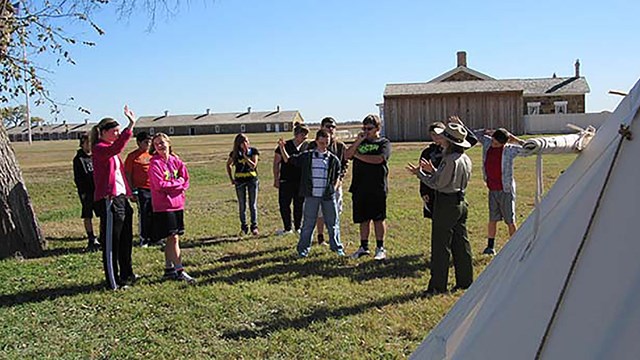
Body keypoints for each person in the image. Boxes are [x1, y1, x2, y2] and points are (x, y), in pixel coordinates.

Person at [406, 123, 473, 295]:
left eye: (443, 137)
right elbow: (447, 179)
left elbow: (437, 184)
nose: (440, 139)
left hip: (446, 204)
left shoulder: (449, 159)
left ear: (449, 141)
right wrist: (433, 170)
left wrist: (420, 174)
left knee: (440, 246)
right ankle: (465, 280)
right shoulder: (464, 158)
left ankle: (437, 286)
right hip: (461, 202)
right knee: (461, 243)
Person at [90, 105, 137, 290]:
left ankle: (127, 274)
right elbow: (118, 146)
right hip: (109, 200)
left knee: (126, 239)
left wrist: (128, 193)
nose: (118, 134)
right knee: (112, 242)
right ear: (102, 132)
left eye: (119, 131)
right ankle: (113, 280)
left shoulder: (111, 150)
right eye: (114, 131)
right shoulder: (100, 148)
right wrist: (130, 125)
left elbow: (119, 175)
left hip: (121, 198)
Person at [277, 129, 345, 257]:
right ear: (316, 142)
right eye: (321, 143)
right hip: (312, 196)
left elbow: (337, 177)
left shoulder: (333, 160)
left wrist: (333, 189)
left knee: (333, 224)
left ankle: (337, 248)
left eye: (327, 143)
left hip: (327, 197)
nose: (324, 146)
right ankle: (303, 250)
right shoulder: (307, 156)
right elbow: (289, 160)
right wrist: (282, 148)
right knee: (308, 224)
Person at [148, 133, 196, 284]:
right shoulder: (154, 163)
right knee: (173, 237)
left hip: (178, 204)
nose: (160, 146)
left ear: (169, 143)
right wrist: (177, 184)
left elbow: (185, 179)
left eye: (162, 143)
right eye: (156, 144)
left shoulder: (176, 161)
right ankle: (180, 270)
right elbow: (159, 185)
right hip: (164, 206)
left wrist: (178, 184)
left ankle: (169, 268)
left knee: (172, 237)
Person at [345, 114, 391, 261]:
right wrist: (358, 141)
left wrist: (357, 156)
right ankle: (363, 247)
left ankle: (380, 247)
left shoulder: (384, 143)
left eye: (369, 128)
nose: (366, 131)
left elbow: (378, 159)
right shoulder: (360, 142)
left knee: (378, 218)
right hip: (359, 186)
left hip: (377, 187)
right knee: (363, 219)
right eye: (364, 128)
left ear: (378, 128)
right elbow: (346, 155)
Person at [474, 127, 525, 255]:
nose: (494, 145)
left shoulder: (509, 150)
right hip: (492, 189)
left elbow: (530, 149)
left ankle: (515, 245)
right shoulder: (487, 143)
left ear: (504, 143)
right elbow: (472, 135)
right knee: (492, 218)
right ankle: (490, 247)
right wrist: (485, 131)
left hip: (505, 190)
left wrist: (516, 140)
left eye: (497, 144)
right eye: (493, 141)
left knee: (510, 220)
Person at [419, 117, 478, 218]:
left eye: (438, 134)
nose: (436, 137)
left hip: (449, 189)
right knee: (436, 217)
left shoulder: (453, 149)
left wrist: (461, 127)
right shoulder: (428, 152)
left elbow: (472, 140)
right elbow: (423, 171)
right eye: (433, 134)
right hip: (432, 187)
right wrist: (423, 191)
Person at [308, 117, 349, 245]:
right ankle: (320, 237)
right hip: (317, 185)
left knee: (335, 212)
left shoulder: (340, 146)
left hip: (335, 185)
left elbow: (344, 164)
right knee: (319, 212)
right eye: (328, 126)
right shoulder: (312, 145)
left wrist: (340, 179)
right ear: (322, 127)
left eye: (333, 126)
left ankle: (335, 239)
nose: (331, 129)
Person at [273, 123, 309, 235]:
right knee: (284, 205)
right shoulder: (284, 146)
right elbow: (276, 163)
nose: (305, 137)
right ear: (296, 134)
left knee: (299, 205)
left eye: (306, 135)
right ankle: (287, 228)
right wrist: (276, 178)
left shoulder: (307, 147)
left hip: (300, 181)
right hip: (286, 180)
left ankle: (298, 227)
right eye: (303, 134)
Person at [226, 133, 260, 236]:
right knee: (242, 205)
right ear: (238, 144)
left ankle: (254, 226)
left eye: (247, 141)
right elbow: (228, 165)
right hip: (240, 181)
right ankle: (244, 227)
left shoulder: (253, 151)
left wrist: (246, 157)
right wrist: (231, 178)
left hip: (252, 180)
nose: (246, 144)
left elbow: (253, 165)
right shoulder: (234, 154)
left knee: (252, 204)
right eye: (243, 142)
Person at [124, 131, 154, 247]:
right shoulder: (132, 156)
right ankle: (144, 238)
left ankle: (154, 237)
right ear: (138, 142)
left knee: (154, 213)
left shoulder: (153, 155)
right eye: (146, 142)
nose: (148, 144)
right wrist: (132, 191)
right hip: (141, 189)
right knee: (144, 214)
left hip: (154, 189)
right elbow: (128, 174)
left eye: (149, 142)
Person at [72, 133, 100, 251]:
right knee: (87, 215)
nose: (90, 145)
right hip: (87, 192)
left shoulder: (96, 156)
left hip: (98, 190)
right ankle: (91, 237)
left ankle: (102, 237)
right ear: (82, 143)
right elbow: (78, 177)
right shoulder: (79, 159)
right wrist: (82, 192)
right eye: (87, 142)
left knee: (101, 214)